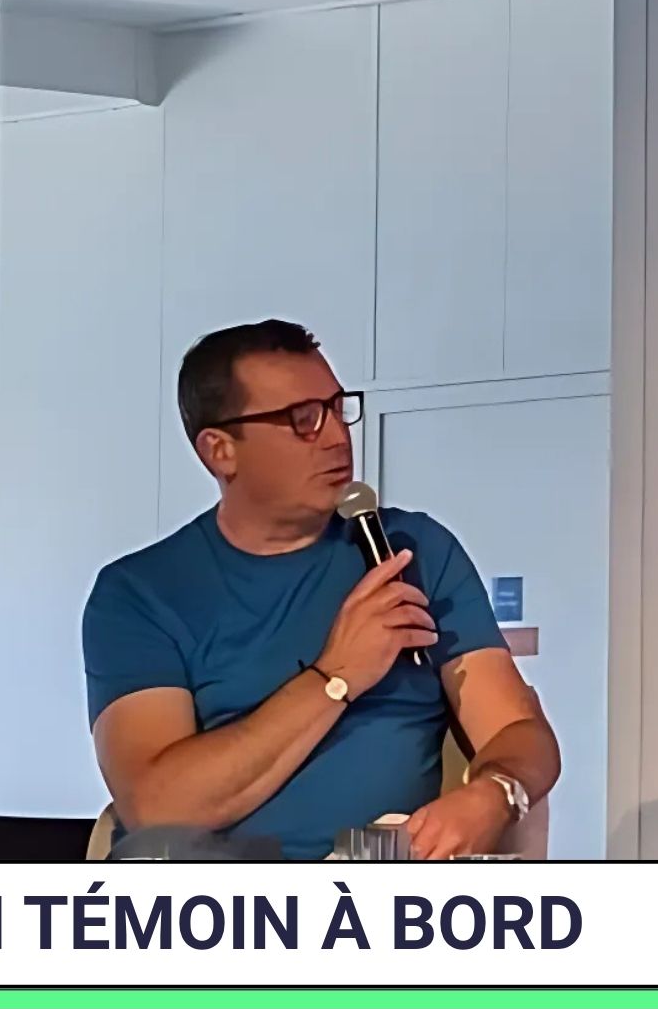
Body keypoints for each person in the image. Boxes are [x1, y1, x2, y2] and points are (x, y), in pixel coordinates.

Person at [82, 319, 559, 860]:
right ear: (221, 451)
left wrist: (498, 792)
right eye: (303, 419)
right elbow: (158, 806)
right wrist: (337, 676)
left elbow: (520, 730)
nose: (337, 437)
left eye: (337, 408)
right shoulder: (141, 592)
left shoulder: (414, 551)